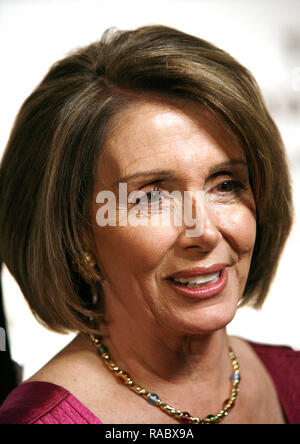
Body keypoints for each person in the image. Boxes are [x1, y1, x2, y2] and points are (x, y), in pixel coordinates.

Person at [0, 24, 299, 425]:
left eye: (226, 184)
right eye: (152, 197)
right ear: (73, 233)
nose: (205, 232)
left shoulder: (292, 378)